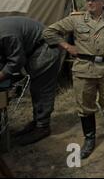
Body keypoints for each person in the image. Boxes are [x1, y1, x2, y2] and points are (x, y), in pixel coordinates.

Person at [43, 0, 104, 159]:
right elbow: (49, 32)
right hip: (84, 70)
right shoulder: (76, 19)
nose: (89, 3)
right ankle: (89, 140)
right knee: (85, 107)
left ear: (103, 1)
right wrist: (67, 46)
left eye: (94, 0)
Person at [0, 16, 61, 145]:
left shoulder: (6, 34)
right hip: (34, 50)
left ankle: (43, 127)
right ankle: (37, 121)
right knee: (36, 90)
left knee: (42, 89)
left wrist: (2, 75)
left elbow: (16, 60)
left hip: (45, 50)